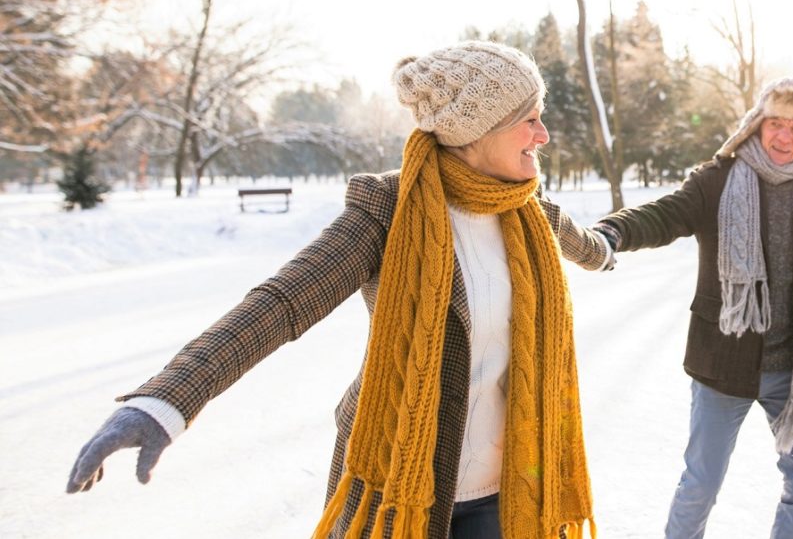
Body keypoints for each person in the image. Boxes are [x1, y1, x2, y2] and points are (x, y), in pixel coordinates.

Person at [65, 41, 610, 539]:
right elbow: (282, 302)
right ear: (478, 130)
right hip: (398, 478)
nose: (543, 136)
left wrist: (609, 249)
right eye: (530, 121)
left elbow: (586, 245)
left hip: (513, 487)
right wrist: (166, 400)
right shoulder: (390, 213)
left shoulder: (531, 212)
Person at [590, 78, 793, 539]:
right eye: (776, 124)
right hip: (723, 365)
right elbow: (665, 215)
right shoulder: (717, 181)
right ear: (757, 125)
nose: (784, 137)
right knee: (701, 483)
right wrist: (612, 232)